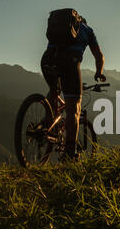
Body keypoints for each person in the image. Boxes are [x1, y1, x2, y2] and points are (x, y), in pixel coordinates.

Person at [41, 9, 106, 160]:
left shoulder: (59, 29)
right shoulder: (88, 30)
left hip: (48, 59)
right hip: (69, 63)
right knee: (73, 109)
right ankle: (70, 153)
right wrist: (99, 72)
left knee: (54, 90)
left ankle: (46, 124)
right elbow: (99, 56)